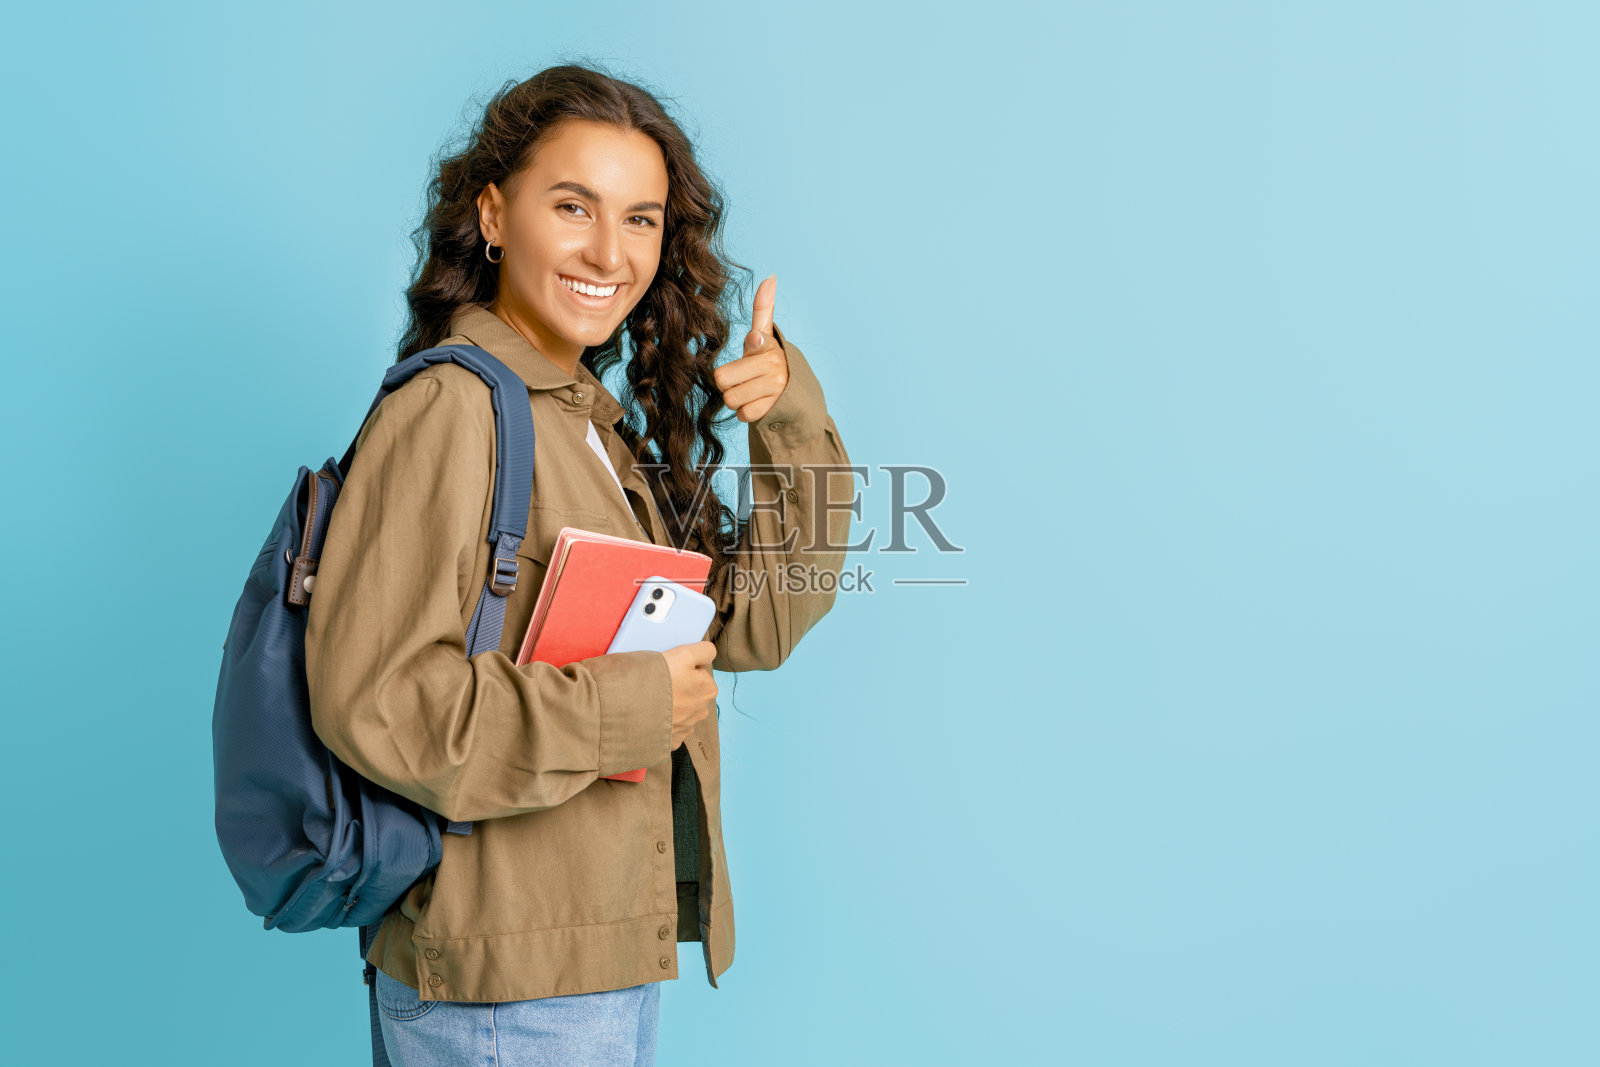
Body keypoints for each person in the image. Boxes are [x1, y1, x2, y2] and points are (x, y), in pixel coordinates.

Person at [302, 63, 853, 1066]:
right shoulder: (451, 411)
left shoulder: (577, 426)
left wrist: (791, 423)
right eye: (573, 206)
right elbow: (373, 699)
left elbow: (758, 625)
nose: (611, 251)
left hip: (586, 956)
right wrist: (631, 708)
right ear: (494, 214)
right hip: (509, 986)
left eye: (641, 219)